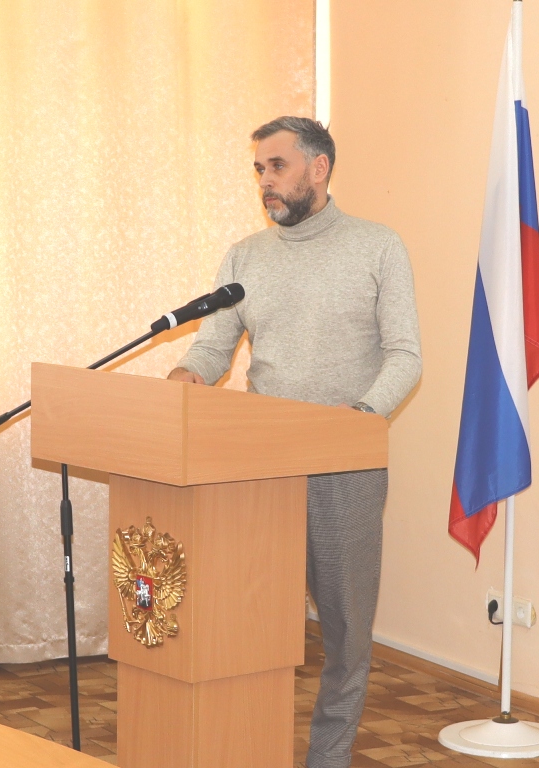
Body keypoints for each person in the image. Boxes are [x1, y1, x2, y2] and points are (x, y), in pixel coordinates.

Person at [168, 116, 421, 768]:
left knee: (344, 634)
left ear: (319, 167)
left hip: (344, 464)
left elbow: (405, 356)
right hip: (259, 467)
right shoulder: (245, 256)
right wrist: (186, 376)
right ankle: (245, 749)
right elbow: (213, 347)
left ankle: (326, 760)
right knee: (248, 624)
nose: (265, 181)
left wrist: (362, 414)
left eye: (277, 166)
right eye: (259, 169)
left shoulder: (377, 247)